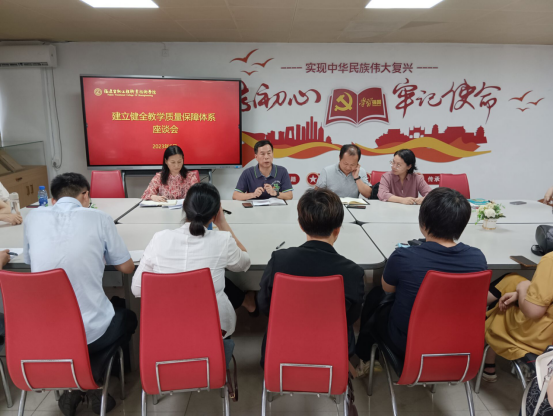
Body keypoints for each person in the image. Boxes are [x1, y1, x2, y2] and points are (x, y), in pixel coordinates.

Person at [23, 173, 137, 415]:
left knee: (79, 321)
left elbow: (31, 262)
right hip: (92, 334)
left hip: (44, 333)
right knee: (126, 317)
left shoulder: (32, 218)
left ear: (53, 199)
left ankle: (74, 383)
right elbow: (127, 268)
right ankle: (92, 379)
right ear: (85, 195)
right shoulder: (99, 218)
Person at [356, 187, 488, 372]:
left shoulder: (403, 257)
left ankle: (366, 358)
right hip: (459, 343)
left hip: (408, 343)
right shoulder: (477, 258)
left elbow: (388, 288)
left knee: (376, 296)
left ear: (423, 223)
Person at [257, 188, 364, 366]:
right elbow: (351, 317)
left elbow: (264, 305)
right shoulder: (353, 272)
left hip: (281, 349)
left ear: (301, 225)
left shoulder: (279, 261)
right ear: (338, 229)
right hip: (331, 353)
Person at [132, 183, 252, 339]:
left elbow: (137, 289)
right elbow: (244, 263)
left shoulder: (159, 239)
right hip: (213, 329)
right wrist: (222, 223)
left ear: (184, 207)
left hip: (168, 328)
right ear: (216, 213)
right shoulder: (222, 240)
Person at [482, 252, 553, 383]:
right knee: (512, 281)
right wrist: (520, 293)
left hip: (540, 340)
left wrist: (523, 288)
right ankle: (489, 361)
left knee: (507, 293)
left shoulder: (551, 260)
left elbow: (533, 312)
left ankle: (461, 318)